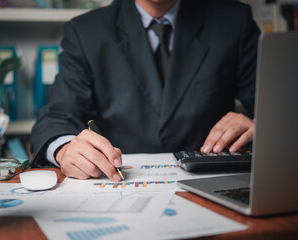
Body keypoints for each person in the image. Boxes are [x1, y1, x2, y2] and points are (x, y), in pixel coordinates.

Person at [30, 0, 260, 182]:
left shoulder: (234, 21)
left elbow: (280, 108)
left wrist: (263, 125)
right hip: (119, 183)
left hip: (213, 183)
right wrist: (64, 149)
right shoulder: (85, 31)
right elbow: (57, 116)